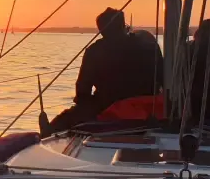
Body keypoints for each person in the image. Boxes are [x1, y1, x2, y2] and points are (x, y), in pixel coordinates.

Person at [41, 8, 163, 136]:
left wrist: (83, 104)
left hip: (108, 106)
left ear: (101, 31)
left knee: (67, 118)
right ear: (123, 25)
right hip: (146, 107)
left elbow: (82, 91)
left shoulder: (94, 52)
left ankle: (47, 132)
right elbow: (162, 78)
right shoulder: (148, 47)